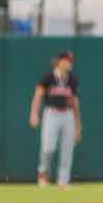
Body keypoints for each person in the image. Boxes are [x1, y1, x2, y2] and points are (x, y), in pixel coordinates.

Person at [28, 50, 82, 188]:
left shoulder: (72, 79)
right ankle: (43, 174)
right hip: (51, 113)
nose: (70, 63)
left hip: (67, 115)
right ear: (60, 61)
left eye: (71, 61)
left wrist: (78, 126)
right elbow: (38, 95)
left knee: (67, 149)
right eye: (67, 60)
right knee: (48, 147)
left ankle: (63, 181)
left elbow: (75, 103)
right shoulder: (48, 77)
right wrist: (34, 113)